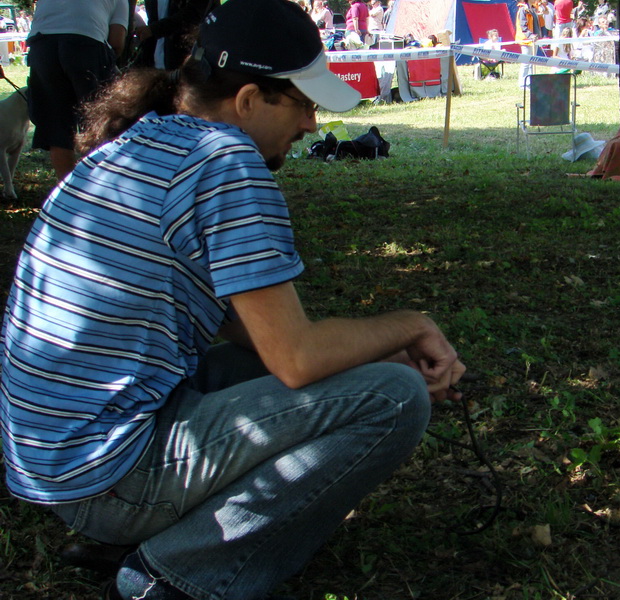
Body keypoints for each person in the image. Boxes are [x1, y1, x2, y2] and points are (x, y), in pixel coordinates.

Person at [0, 2, 465, 600]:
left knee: (368, 374)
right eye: (302, 103)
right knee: (395, 397)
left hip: (57, 464)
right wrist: (411, 325)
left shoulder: (133, 145)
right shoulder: (227, 163)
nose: (312, 127)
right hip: (109, 479)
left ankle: (136, 535)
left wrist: (367, 357)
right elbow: (295, 358)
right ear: (248, 100)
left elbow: (252, 335)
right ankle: (178, 574)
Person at [25, 0, 129, 181]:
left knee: (57, 128)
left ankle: (67, 191)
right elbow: (117, 42)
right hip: (86, 43)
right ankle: (100, 186)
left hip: (42, 46)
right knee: (100, 123)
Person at [134, 1, 218, 70]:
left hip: (194, 62)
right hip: (157, 64)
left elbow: (194, 15)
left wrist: (153, 30)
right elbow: (153, 19)